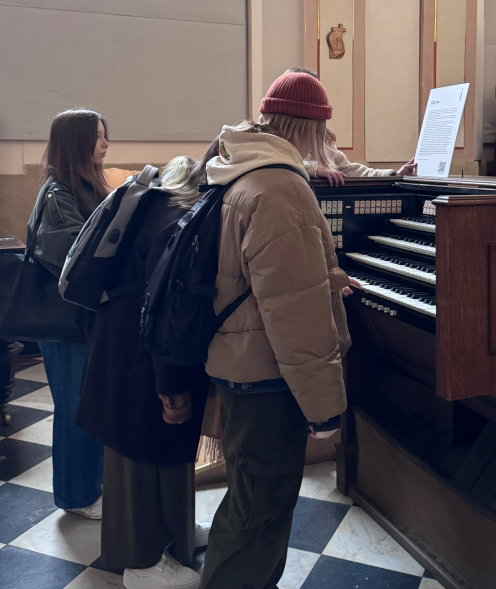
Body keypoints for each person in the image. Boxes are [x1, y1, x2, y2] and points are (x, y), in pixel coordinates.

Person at [200, 71, 351, 589]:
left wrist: (325, 274)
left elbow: (255, 275)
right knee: (258, 513)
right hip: (267, 378)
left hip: (237, 363)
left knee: (249, 501)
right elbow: (295, 315)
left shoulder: (236, 168)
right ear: (309, 128)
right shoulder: (281, 187)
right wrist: (325, 407)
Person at [77, 148, 219, 589]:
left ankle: (174, 534)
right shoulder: (181, 220)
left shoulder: (157, 202)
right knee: (137, 455)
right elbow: (168, 310)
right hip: (140, 354)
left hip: (124, 344)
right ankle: (140, 561)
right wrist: (169, 380)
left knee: (163, 448)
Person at [27, 108, 109, 518]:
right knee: (74, 408)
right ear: (77, 143)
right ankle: (77, 497)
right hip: (63, 323)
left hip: (80, 320)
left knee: (85, 404)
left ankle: (89, 486)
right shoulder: (58, 195)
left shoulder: (83, 186)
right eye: (98, 137)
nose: (106, 144)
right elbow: (76, 262)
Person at [286, 67, 417, 185]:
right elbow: (273, 160)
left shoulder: (324, 141)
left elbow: (353, 171)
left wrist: (394, 175)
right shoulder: (273, 134)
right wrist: (312, 169)